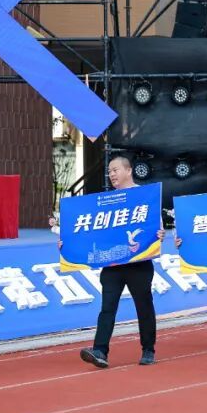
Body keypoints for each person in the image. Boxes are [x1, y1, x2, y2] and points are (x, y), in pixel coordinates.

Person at [79, 155, 162, 369]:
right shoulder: (106, 202)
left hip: (139, 264)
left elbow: (157, 226)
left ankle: (148, 349)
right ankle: (100, 350)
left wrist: (160, 234)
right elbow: (92, 232)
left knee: (144, 306)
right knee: (107, 307)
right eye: (109, 171)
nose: (111, 174)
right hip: (113, 264)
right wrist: (67, 242)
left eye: (115, 170)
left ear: (129, 170)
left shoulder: (145, 196)